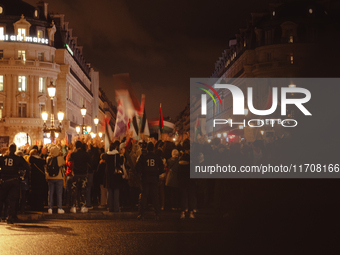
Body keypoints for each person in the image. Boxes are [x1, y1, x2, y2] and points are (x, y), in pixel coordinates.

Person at [0, 143, 29, 224]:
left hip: (4, 181)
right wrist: (23, 177)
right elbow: (27, 167)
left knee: (1, 199)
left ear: (9, 149)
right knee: (12, 200)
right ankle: (10, 217)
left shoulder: (3, 158)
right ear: (15, 150)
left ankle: (1, 216)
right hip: (14, 180)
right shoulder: (18, 159)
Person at [136, 142, 164, 220]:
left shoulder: (143, 156)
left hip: (145, 178)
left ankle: (141, 214)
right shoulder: (156, 157)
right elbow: (162, 169)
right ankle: (157, 214)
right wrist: (156, 173)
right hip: (154, 179)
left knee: (144, 196)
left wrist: (141, 173)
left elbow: (137, 167)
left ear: (147, 149)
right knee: (155, 197)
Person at [68, 140, 91, 213]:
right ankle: (83, 206)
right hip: (84, 174)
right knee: (83, 191)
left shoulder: (73, 154)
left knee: (74, 191)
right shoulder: (86, 154)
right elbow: (90, 162)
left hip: (76, 174)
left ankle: (74, 206)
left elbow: (69, 161)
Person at [45, 146, 66, 214]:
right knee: (59, 193)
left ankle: (50, 208)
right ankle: (59, 208)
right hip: (59, 177)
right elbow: (63, 164)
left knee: (50, 193)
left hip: (50, 178)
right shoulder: (60, 158)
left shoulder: (48, 158)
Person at [104, 141, 123, 212]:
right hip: (116, 175)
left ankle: (110, 207)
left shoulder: (107, 155)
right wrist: (122, 155)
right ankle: (116, 208)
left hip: (109, 175)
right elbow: (121, 163)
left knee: (110, 191)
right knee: (116, 191)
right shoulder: (117, 155)